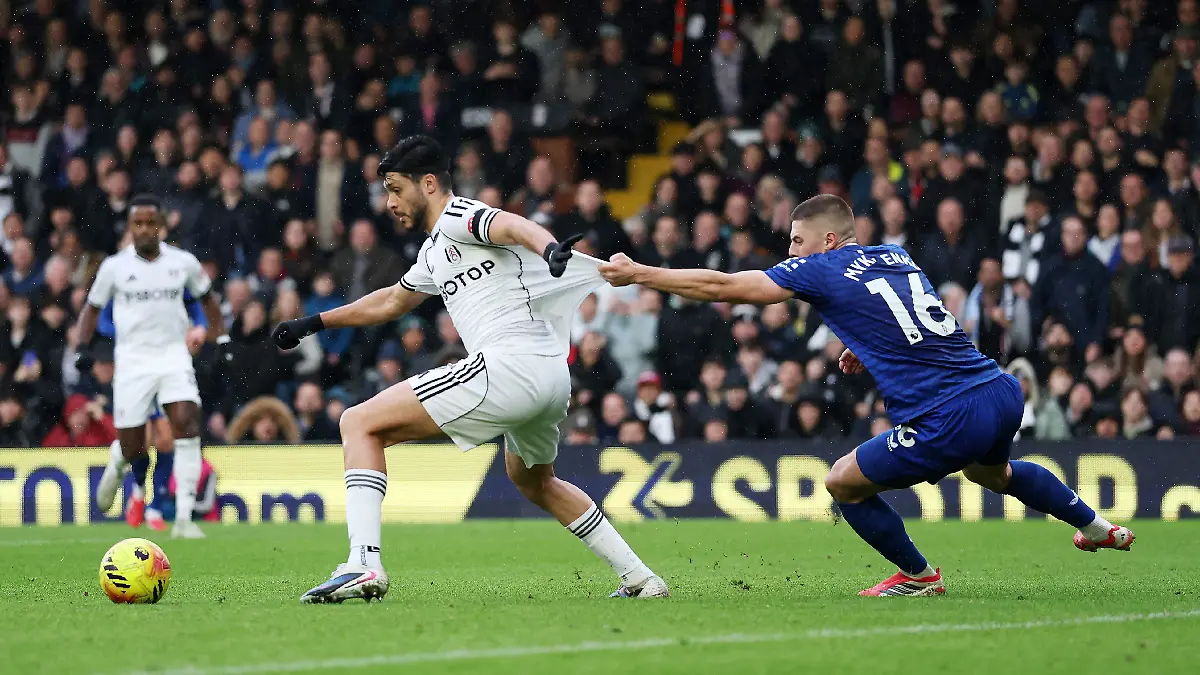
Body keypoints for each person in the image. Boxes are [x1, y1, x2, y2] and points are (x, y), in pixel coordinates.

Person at [600, 194, 1134, 597]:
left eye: (796, 241)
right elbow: (909, 318)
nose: (791, 252)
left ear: (828, 241)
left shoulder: (820, 268)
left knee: (842, 483)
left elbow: (724, 287)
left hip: (945, 412)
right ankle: (1097, 527)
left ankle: (920, 576)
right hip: (997, 391)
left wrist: (641, 273)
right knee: (994, 474)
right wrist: (866, 346)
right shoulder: (896, 255)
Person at [271, 136, 668, 603]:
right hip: (549, 375)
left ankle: (363, 562)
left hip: (507, 367)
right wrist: (313, 321)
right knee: (535, 480)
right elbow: (394, 300)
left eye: (396, 189)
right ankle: (640, 577)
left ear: (430, 183)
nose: (390, 203)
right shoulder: (434, 251)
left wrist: (548, 248)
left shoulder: (459, 215)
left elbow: (513, 224)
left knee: (358, 422)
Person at [74, 194, 232, 540]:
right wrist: (82, 348)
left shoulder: (183, 263)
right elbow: (91, 308)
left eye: (150, 223)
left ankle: (185, 519)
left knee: (187, 425)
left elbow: (209, 300)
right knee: (134, 447)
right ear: (130, 227)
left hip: (174, 357)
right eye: (138, 223)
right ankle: (118, 462)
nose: (144, 229)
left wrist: (220, 341)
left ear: (161, 225)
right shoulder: (114, 267)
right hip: (132, 362)